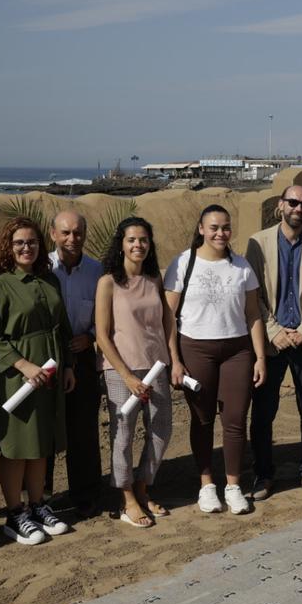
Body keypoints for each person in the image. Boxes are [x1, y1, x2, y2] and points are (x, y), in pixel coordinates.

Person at [166, 205, 267, 515]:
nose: (220, 233)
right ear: (201, 228)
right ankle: (207, 484)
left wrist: (260, 356)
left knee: (236, 420)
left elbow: (253, 315)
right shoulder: (183, 263)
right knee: (203, 418)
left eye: (225, 227)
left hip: (237, 350)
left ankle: (234, 486)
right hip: (196, 348)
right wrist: (175, 360)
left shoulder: (241, 267)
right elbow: (168, 316)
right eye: (213, 227)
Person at [0, 217, 75, 545]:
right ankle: (14, 513)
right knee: (17, 447)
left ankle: (38, 506)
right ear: (9, 246)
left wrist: (68, 366)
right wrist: (22, 364)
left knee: (40, 444)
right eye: (19, 242)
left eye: (32, 242)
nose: (26, 248)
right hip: (16, 378)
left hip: (49, 371)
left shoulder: (50, 280)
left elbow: (62, 328)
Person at [244, 186, 302, 501]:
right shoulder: (258, 243)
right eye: (293, 202)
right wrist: (273, 330)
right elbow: (253, 294)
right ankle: (264, 474)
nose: (298, 208)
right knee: (264, 411)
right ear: (281, 205)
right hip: (272, 342)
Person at [94, 217, 175, 527]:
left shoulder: (155, 279)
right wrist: (126, 375)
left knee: (161, 428)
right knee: (123, 434)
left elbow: (166, 323)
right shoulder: (108, 282)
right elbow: (102, 334)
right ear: (121, 244)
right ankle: (127, 497)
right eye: (131, 240)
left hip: (155, 367)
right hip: (120, 369)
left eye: (143, 239)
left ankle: (143, 486)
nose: (138, 245)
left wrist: (171, 360)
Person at [45, 210, 104, 517]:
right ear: (53, 234)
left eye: (78, 233)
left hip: (81, 357)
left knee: (83, 431)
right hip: (45, 360)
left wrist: (91, 337)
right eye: (65, 233)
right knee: (45, 431)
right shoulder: (41, 268)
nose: (72, 239)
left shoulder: (97, 271)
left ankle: (86, 494)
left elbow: (108, 314)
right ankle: (40, 498)